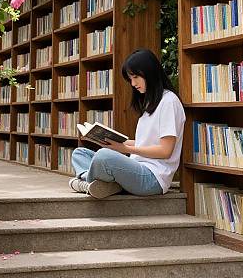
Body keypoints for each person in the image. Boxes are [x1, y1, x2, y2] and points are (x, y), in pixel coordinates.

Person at [69, 48, 185, 199]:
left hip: (153, 177)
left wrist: (123, 148)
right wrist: (114, 141)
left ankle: (86, 182)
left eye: (135, 77)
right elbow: (146, 142)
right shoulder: (150, 103)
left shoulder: (169, 101)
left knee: (104, 156)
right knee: (80, 153)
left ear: (149, 72)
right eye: (130, 79)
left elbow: (165, 151)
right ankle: (104, 184)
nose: (133, 83)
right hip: (136, 166)